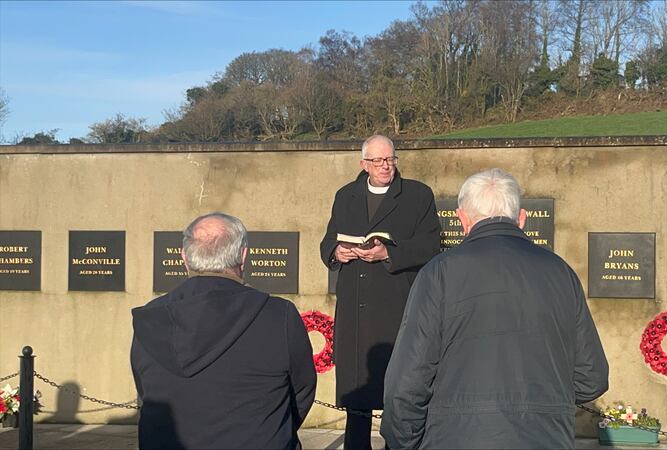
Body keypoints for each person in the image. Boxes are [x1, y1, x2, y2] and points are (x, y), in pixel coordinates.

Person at [381, 169, 609, 449]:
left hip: (455, 437)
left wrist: (403, 442)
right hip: (546, 438)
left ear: (462, 219)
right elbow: (591, 378)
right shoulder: (561, 273)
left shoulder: (439, 273)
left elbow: (408, 380)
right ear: (521, 218)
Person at [131, 212, 316, 449]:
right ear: (243, 255)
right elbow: (301, 393)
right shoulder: (278, 315)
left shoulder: (151, 316)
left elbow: (144, 390)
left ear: (184, 257)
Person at [319, 135, 441, 449]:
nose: (385, 166)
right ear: (364, 164)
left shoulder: (417, 195)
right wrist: (338, 251)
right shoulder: (346, 195)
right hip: (356, 307)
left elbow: (430, 245)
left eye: (390, 159)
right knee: (358, 393)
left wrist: (388, 254)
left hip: (395, 305)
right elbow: (327, 241)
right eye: (377, 161)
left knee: (397, 393)